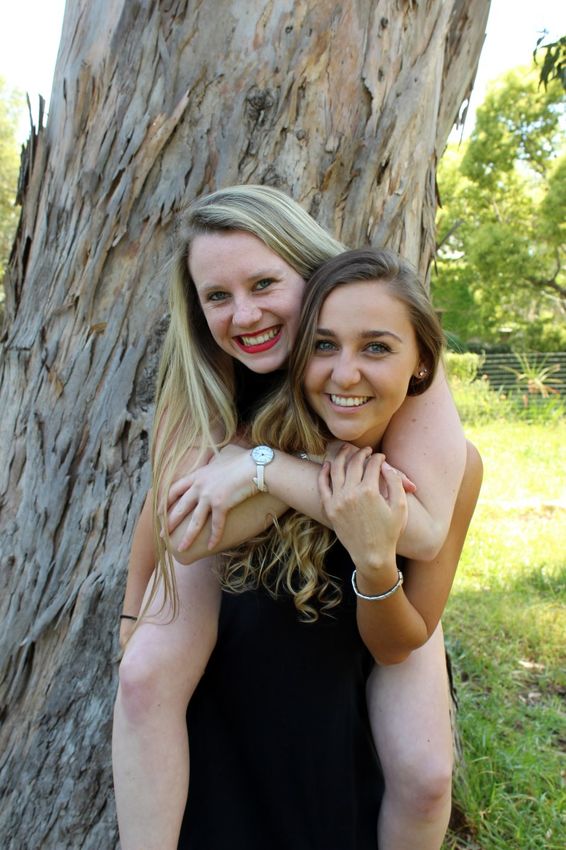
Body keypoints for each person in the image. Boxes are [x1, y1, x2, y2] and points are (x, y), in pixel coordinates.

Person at [113, 186, 469, 850]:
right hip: (233, 540)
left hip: (380, 557)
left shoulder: (384, 336)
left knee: (424, 776)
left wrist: (267, 468)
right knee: (143, 677)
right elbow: (175, 518)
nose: (244, 314)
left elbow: (423, 530)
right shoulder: (203, 371)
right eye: (217, 296)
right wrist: (133, 613)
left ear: (312, 271)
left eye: (264, 283)